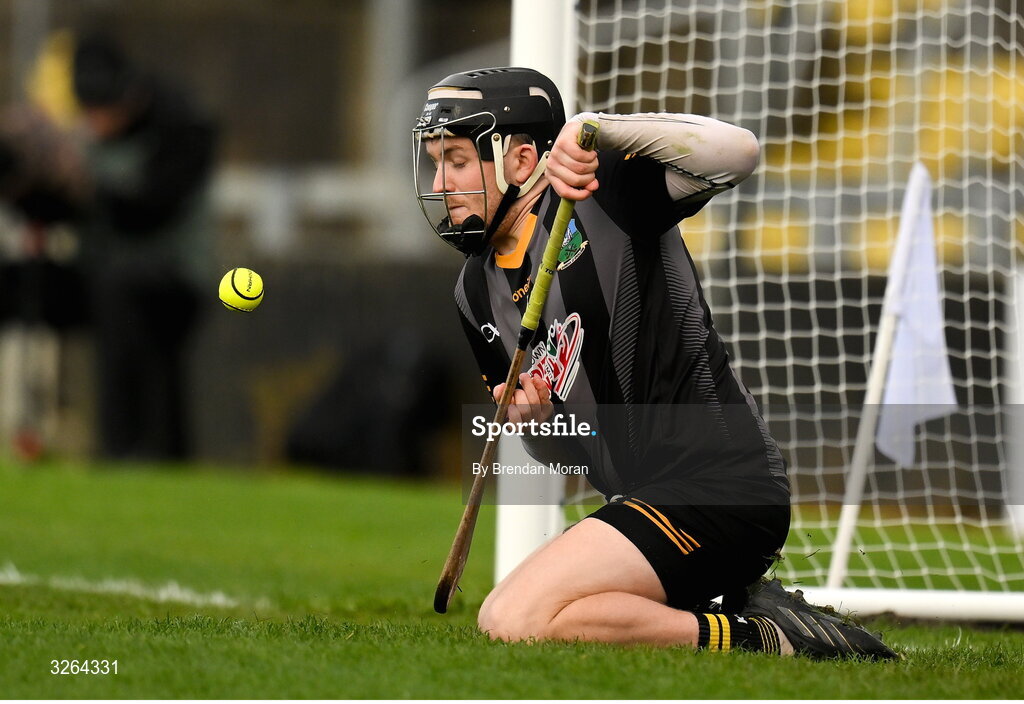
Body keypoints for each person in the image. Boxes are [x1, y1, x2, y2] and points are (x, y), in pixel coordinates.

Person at [412, 67, 897, 659]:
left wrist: (600, 130)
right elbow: (561, 449)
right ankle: (738, 622)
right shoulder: (474, 292)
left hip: (721, 485)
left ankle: (771, 641)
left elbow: (738, 152)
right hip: (639, 501)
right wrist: (535, 423)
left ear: (517, 161)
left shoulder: (606, 192)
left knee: (513, 617)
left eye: (457, 160)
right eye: (436, 162)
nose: (441, 181)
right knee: (533, 618)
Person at [70, 33, 217, 460]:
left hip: (175, 277)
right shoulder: (85, 137)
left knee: (123, 295)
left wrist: (85, 190)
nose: (95, 123)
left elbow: (148, 212)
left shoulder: (180, 127)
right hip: (100, 271)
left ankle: (126, 449)